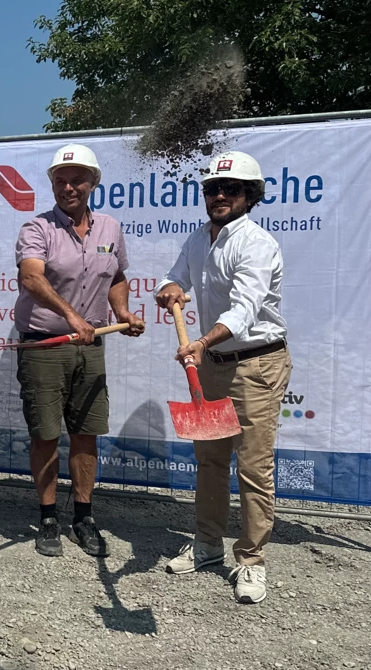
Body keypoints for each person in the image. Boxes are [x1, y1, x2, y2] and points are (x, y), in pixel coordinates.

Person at [156, 151, 289, 605]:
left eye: (230, 189)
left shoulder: (256, 243)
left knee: (252, 468)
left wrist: (200, 342)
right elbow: (174, 280)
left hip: (255, 366)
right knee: (210, 462)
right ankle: (209, 545)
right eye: (212, 188)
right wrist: (170, 289)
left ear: (249, 195)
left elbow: (244, 310)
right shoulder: (198, 239)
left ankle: (251, 562)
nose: (219, 196)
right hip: (211, 367)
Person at [13, 143, 145, 558]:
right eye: (60, 180)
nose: (68, 187)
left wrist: (122, 312)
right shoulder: (37, 228)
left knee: (86, 434)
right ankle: (48, 516)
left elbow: (118, 275)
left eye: (77, 180)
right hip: (45, 345)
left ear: (92, 183)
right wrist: (72, 317)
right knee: (46, 435)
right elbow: (32, 278)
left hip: (91, 347)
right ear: (52, 184)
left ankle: (84, 517)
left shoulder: (110, 228)